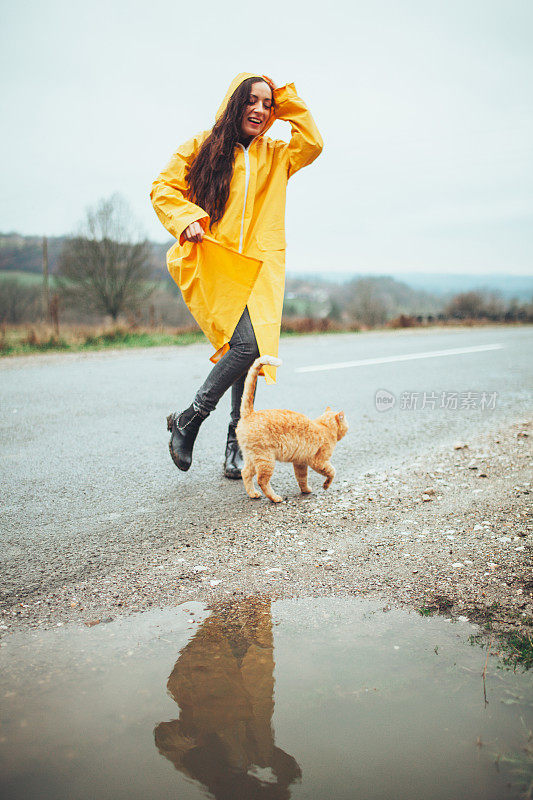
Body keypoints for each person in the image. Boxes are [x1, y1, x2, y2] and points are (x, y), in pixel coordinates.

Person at [151, 73, 323, 479]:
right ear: (234, 104)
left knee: (248, 351)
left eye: (267, 104)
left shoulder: (276, 154)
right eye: (252, 100)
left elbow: (313, 142)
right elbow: (162, 188)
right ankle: (190, 419)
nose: (261, 110)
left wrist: (282, 95)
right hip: (217, 264)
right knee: (246, 348)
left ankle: (236, 445)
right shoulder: (203, 146)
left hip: (257, 268)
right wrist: (187, 218)